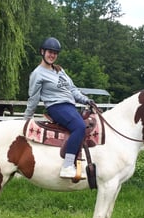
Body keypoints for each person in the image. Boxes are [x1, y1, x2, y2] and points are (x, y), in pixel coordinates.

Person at [24, 37, 95, 178]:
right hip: (56, 107)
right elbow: (33, 98)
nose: (52, 55)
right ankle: (67, 166)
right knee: (79, 127)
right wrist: (26, 118)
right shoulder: (37, 74)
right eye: (50, 52)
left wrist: (87, 100)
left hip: (69, 107)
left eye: (55, 53)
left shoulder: (59, 70)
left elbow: (73, 90)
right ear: (42, 52)